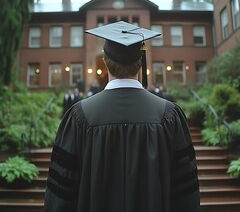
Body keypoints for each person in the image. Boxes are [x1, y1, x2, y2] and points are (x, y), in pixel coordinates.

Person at [43, 21, 200, 212]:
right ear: (140, 63)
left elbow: (61, 196)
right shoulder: (169, 115)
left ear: (106, 62)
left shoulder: (78, 117)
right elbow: (185, 194)